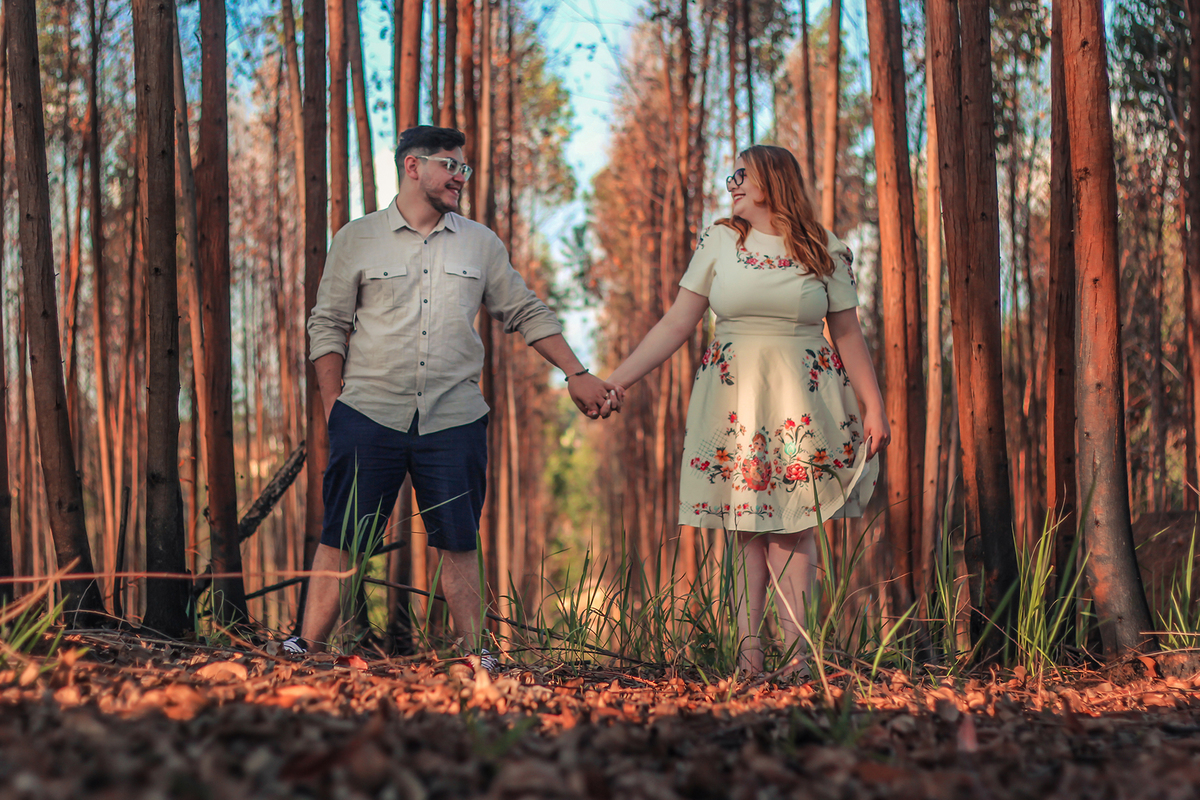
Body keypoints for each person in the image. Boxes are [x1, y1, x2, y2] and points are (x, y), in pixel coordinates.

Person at [288, 126, 618, 664]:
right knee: (342, 533)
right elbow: (327, 324)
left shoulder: (480, 243)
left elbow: (525, 310)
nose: (461, 177)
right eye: (451, 166)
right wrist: (334, 407)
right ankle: (306, 648)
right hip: (368, 412)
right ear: (413, 167)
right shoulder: (358, 238)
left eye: (463, 168)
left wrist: (576, 371)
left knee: (460, 539)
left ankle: (477, 655)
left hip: (455, 417)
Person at [603, 145, 889, 674]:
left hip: (804, 400)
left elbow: (848, 332)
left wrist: (874, 406)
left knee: (794, 525)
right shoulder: (720, 241)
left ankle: (801, 659)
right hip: (735, 399)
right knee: (746, 525)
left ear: (770, 182)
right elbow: (675, 323)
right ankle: (748, 657)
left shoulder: (823, 247)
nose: (730, 183)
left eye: (740, 174)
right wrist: (616, 382)